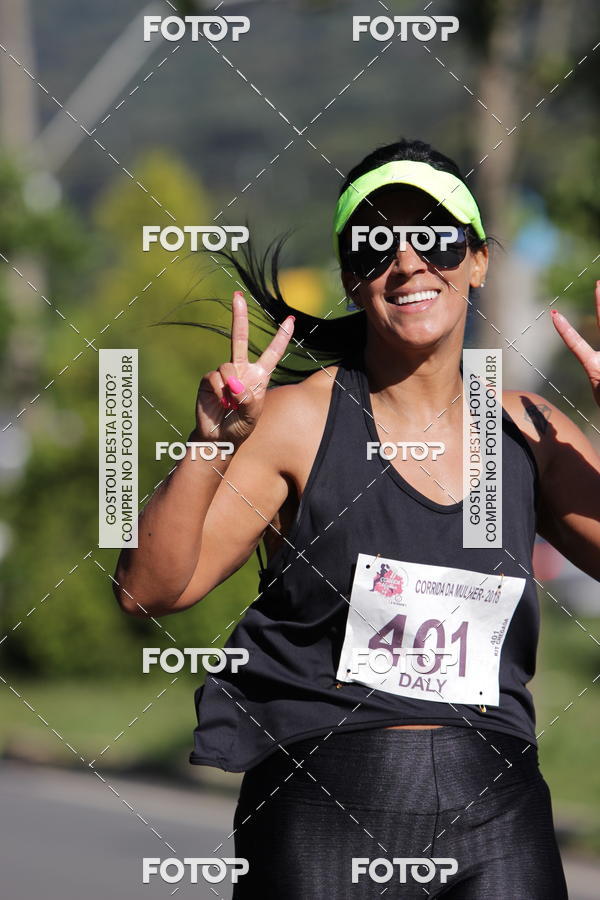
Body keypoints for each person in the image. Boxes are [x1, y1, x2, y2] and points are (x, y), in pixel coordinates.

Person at [115, 139, 600, 898]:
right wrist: (208, 447)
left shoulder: (528, 430)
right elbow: (148, 589)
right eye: (376, 243)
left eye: (434, 236)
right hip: (322, 808)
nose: (407, 262)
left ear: (477, 260)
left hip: (496, 814)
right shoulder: (296, 422)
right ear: (352, 279)